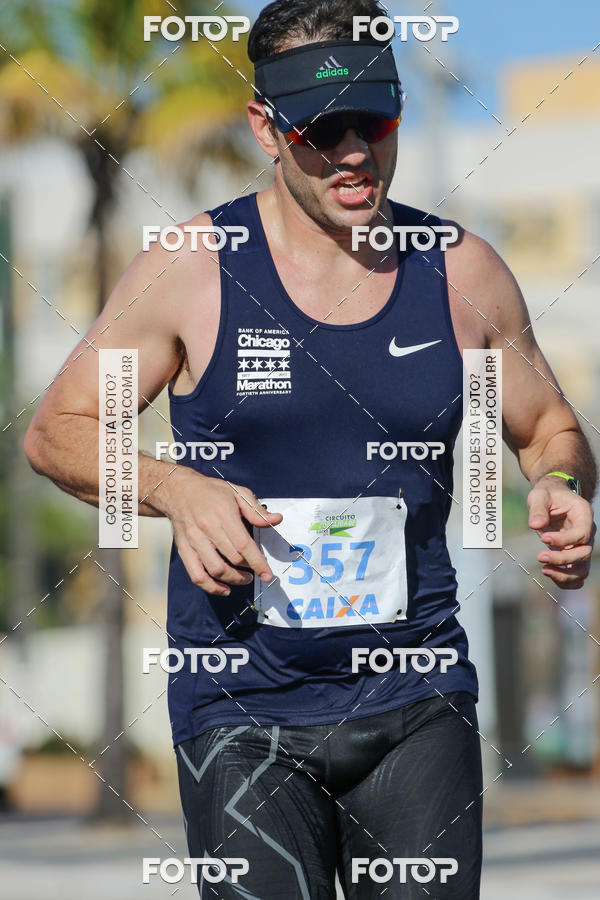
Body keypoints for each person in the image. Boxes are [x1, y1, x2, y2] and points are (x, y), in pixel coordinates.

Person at [24, 1, 596, 897]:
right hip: (241, 707)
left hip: (417, 699)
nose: (355, 151)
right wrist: (175, 489)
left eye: (376, 119)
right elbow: (57, 431)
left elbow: (548, 429)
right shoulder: (195, 269)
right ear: (266, 126)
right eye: (322, 129)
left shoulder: (460, 272)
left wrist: (560, 483)